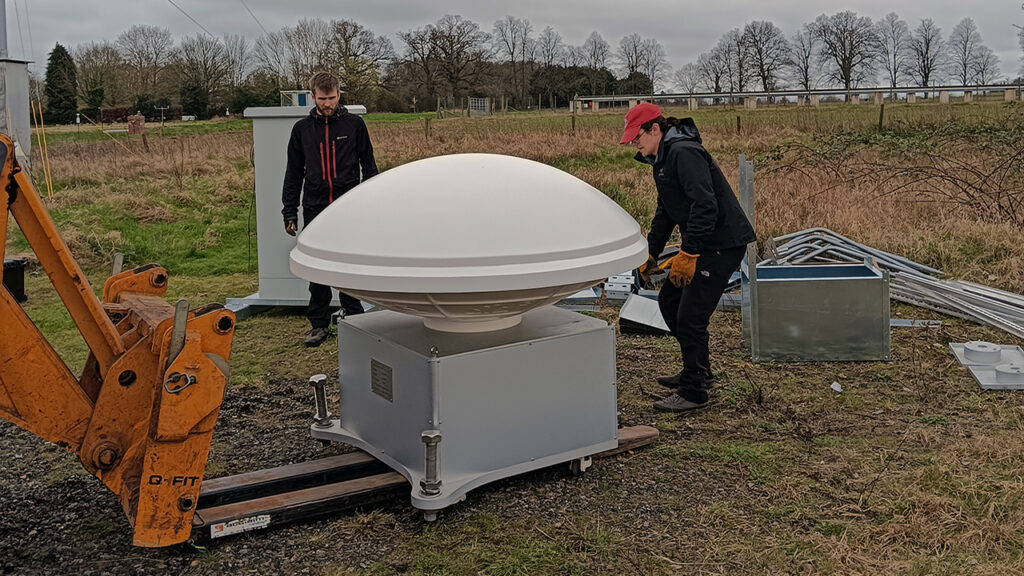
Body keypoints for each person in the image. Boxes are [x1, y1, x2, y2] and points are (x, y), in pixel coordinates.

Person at [622, 102, 755, 413]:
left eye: (637, 137)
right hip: (705, 243)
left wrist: (689, 252)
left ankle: (694, 392)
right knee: (670, 301)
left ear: (654, 129)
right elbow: (666, 212)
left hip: (722, 243)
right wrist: (650, 253)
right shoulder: (661, 159)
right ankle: (698, 371)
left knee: (690, 316)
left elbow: (705, 206)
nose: (634, 144)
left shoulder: (683, 152)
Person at [283, 71, 379, 347]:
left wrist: (373, 205)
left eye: (333, 97)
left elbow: (369, 167)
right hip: (314, 205)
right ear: (312, 97)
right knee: (318, 265)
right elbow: (293, 173)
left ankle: (354, 315)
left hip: (348, 205)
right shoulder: (301, 130)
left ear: (339, 95)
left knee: (350, 261)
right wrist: (289, 210)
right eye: (323, 98)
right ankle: (319, 323)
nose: (328, 103)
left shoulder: (355, 125)